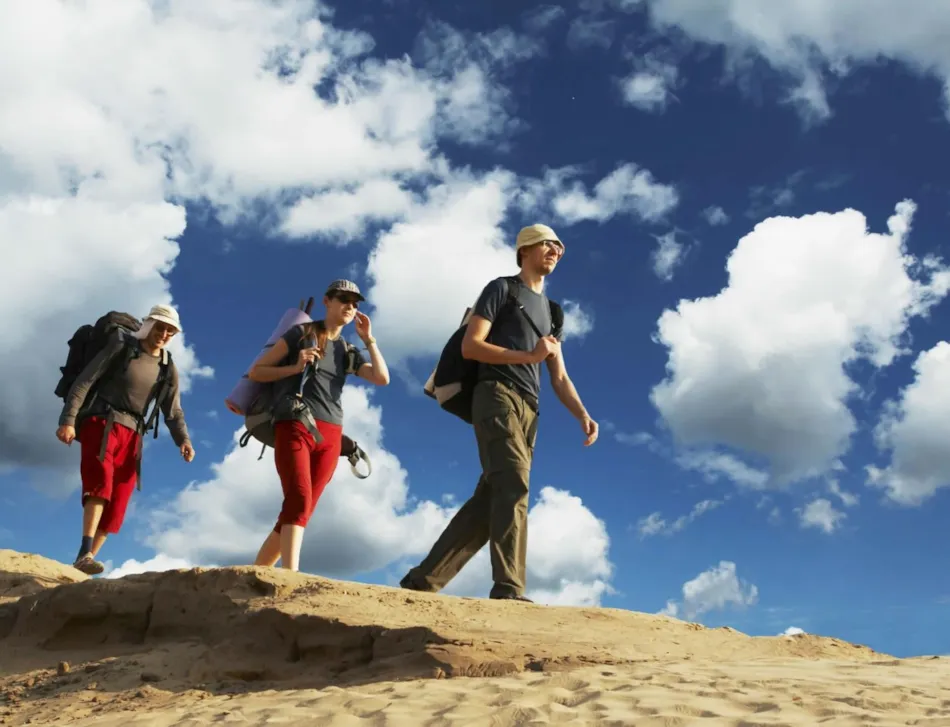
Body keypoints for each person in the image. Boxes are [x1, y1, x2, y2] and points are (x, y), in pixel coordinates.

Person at [400, 223, 599, 602]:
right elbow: (472, 347)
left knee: (490, 498)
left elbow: (559, 376)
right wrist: (528, 356)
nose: (555, 250)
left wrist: (582, 414)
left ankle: (423, 581)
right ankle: (509, 588)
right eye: (546, 244)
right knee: (514, 482)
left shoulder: (554, 314)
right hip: (496, 394)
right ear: (524, 249)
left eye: (559, 246)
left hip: (530, 411)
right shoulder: (501, 289)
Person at [248, 279, 390, 572]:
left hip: (332, 434)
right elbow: (257, 372)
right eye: (344, 299)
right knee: (299, 499)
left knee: (302, 510)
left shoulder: (348, 350)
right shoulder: (301, 333)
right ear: (327, 301)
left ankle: (254, 573)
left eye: (355, 303)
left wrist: (369, 340)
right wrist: (295, 367)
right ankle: (290, 576)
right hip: (295, 421)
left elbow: (381, 378)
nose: (350, 306)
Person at [56, 304, 195, 576]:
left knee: (119, 498)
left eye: (170, 330)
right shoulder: (121, 347)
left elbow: (173, 410)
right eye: (160, 327)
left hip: (134, 434)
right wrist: (68, 420)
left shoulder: (167, 367)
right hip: (102, 422)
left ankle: (85, 561)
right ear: (149, 324)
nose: (164, 333)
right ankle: (85, 552)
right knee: (101, 482)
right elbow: (85, 381)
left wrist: (184, 441)